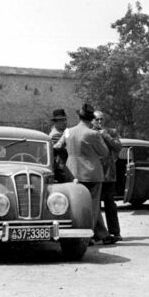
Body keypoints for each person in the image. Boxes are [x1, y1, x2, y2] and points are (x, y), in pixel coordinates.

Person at [55, 103, 113, 244]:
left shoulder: (68, 131)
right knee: (92, 207)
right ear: (90, 118)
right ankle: (88, 237)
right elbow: (104, 152)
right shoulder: (92, 134)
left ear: (79, 116)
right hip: (91, 173)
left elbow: (56, 146)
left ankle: (102, 234)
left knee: (78, 205)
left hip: (72, 173)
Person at [93, 110, 123, 242]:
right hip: (94, 174)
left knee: (110, 204)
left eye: (101, 119)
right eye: (97, 119)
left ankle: (115, 232)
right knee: (94, 205)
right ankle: (96, 233)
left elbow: (118, 147)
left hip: (109, 174)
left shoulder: (111, 132)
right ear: (92, 120)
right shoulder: (90, 133)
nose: (99, 122)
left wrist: (106, 135)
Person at [48, 109, 72, 183]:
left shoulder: (59, 132)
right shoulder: (56, 135)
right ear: (55, 122)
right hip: (61, 167)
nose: (64, 122)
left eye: (65, 120)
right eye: (61, 120)